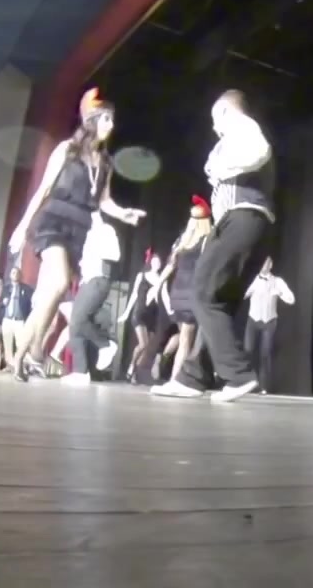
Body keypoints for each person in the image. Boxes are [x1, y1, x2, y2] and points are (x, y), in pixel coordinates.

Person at [8, 88, 146, 382]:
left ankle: (28, 355)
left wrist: (124, 213)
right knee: (59, 283)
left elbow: (104, 201)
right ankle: (27, 355)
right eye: (106, 119)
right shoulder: (66, 150)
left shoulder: (105, 163)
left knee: (53, 293)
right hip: (53, 221)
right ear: (92, 120)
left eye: (112, 120)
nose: (111, 124)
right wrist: (21, 227)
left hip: (79, 230)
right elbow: (44, 189)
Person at [151, 89, 273, 403]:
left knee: (203, 292)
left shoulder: (240, 124)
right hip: (251, 222)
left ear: (224, 111)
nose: (215, 127)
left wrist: (223, 169)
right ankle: (194, 376)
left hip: (242, 217)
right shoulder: (231, 137)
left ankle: (239, 374)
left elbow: (260, 151)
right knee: (219, 303)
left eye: (215, 119)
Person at [149, 195, 213, 382]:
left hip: (177, 293)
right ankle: (177, 380)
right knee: (187, 340)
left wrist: (157, 286)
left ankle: (175, 376)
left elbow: (170, 266)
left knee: (184, 337)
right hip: (192, 293)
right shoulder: (206, 241)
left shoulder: (182, 241)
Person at [62, 211, 122, 386]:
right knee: (75, 325)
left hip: (98, 280)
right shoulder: (87, 233)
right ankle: (80, 372)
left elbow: (115, 255)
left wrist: (97, 248)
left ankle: (106, 345)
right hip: (87, 281)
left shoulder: (106, 230)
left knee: (79, 320)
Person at [244, 257, 295, 393]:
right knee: (248, 351)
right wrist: (250, 289)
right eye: (262, 262)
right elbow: (243, 295)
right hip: (253, 319)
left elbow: (291, 299)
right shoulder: (254, 279)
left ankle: (264, 386)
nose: (263, 265)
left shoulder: (277, 281)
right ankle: (245, 383)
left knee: (265, 354)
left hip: (269, 321)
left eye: (266, 262)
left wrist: (280, 293)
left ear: (271, 264)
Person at [117, 248, 165, 383]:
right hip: (139, 312)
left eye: (159, 262)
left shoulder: (161, 279)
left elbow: (161, 298)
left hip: (152, 315)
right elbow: (134, 295)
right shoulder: (142, 275)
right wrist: (126, 313)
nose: (157, 264)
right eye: (154, 261)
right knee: (143, 344)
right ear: (150, 262)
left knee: (148, 347)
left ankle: (134, 372)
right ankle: (131, 366)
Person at [0, 267, 33, 370]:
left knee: (21, 344)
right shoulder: (5, 288)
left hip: (19, 321)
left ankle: (21, 366)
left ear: (20, 275)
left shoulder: (27, 289)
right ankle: (10, 366)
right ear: (10, 275)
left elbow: (30, 305)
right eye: (13, 272)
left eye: (17, 273)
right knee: (7, 345)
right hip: (7, 320)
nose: (15, 274)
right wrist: (3, 303)